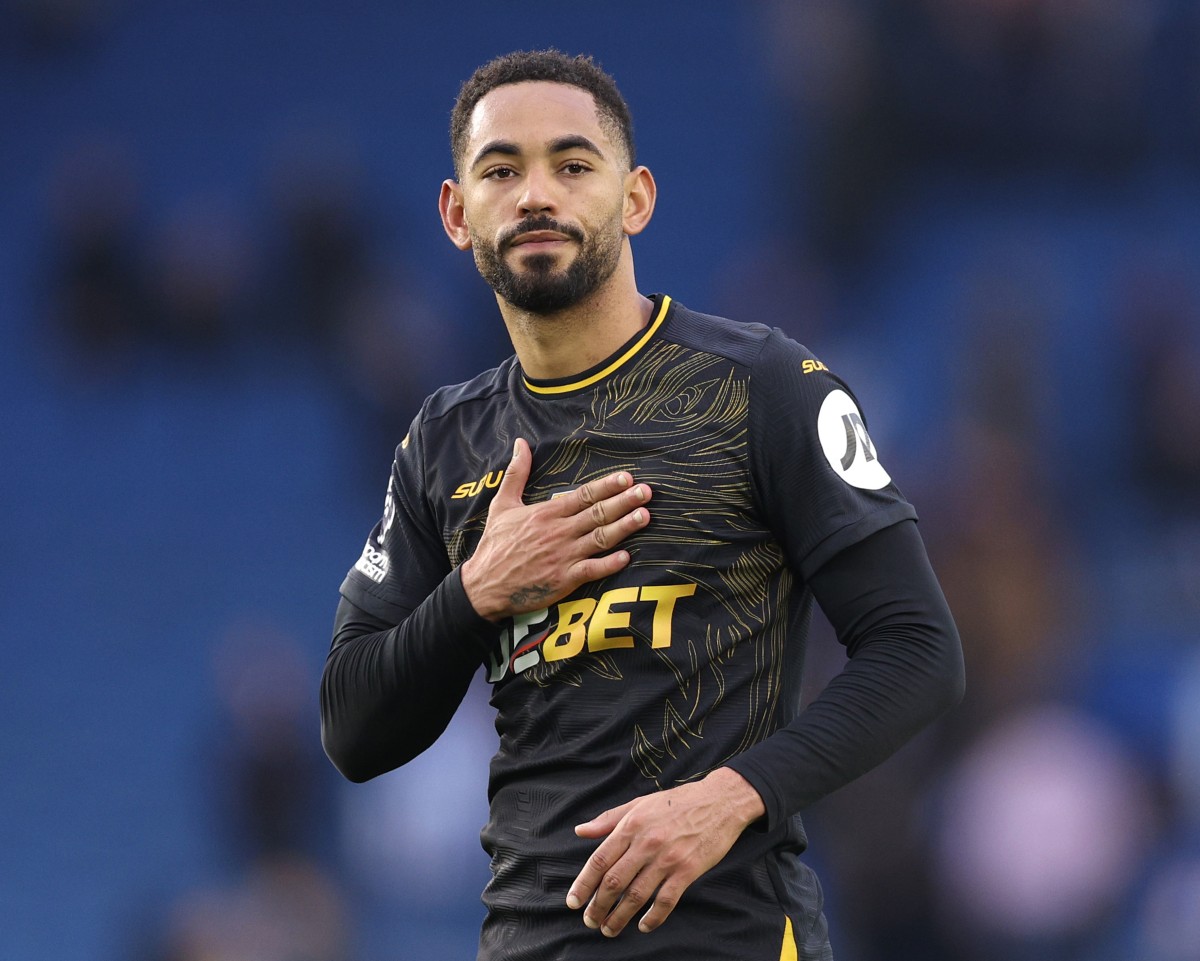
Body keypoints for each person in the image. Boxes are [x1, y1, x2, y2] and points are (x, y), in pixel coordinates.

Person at [320, 49, 965, 961]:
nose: (537, 194)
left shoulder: (764, 387)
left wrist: (734, 794)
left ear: (636, 198)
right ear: (458, 214)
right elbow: (352, 727)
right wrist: (477, 593)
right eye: (502, 169)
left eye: (573, 165)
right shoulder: (443, 442)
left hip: (730, 938)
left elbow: (920, 650)